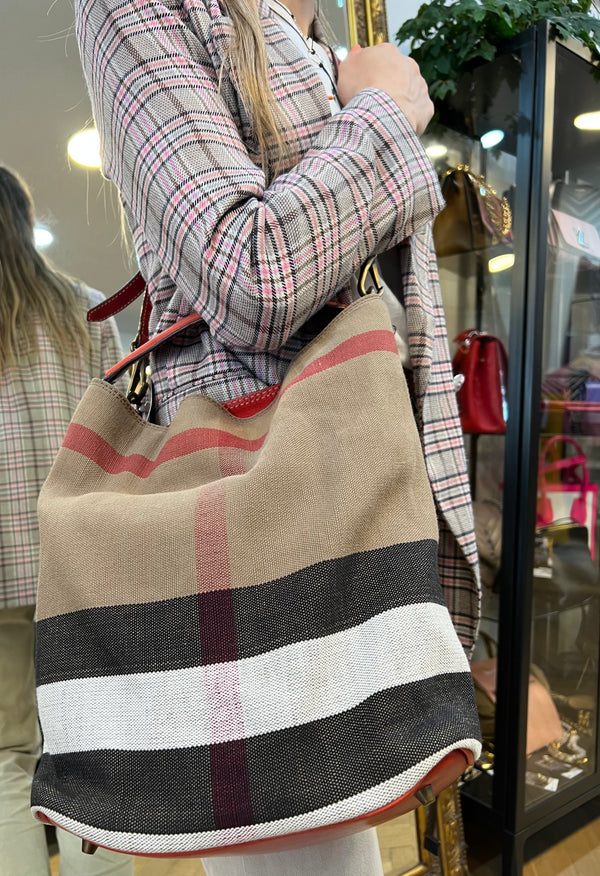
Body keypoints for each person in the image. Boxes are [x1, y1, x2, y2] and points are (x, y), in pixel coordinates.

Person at [74, 1, 481, 874]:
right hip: (270, 533)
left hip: (358, 503)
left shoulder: (318, 36)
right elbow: (250, 273)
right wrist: (383, 115)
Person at [0, 166, 134, 876]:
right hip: (74, 565)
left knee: (3, 758)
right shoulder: (82, 309)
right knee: (88, 749)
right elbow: (123, 435)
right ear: (23, 220)